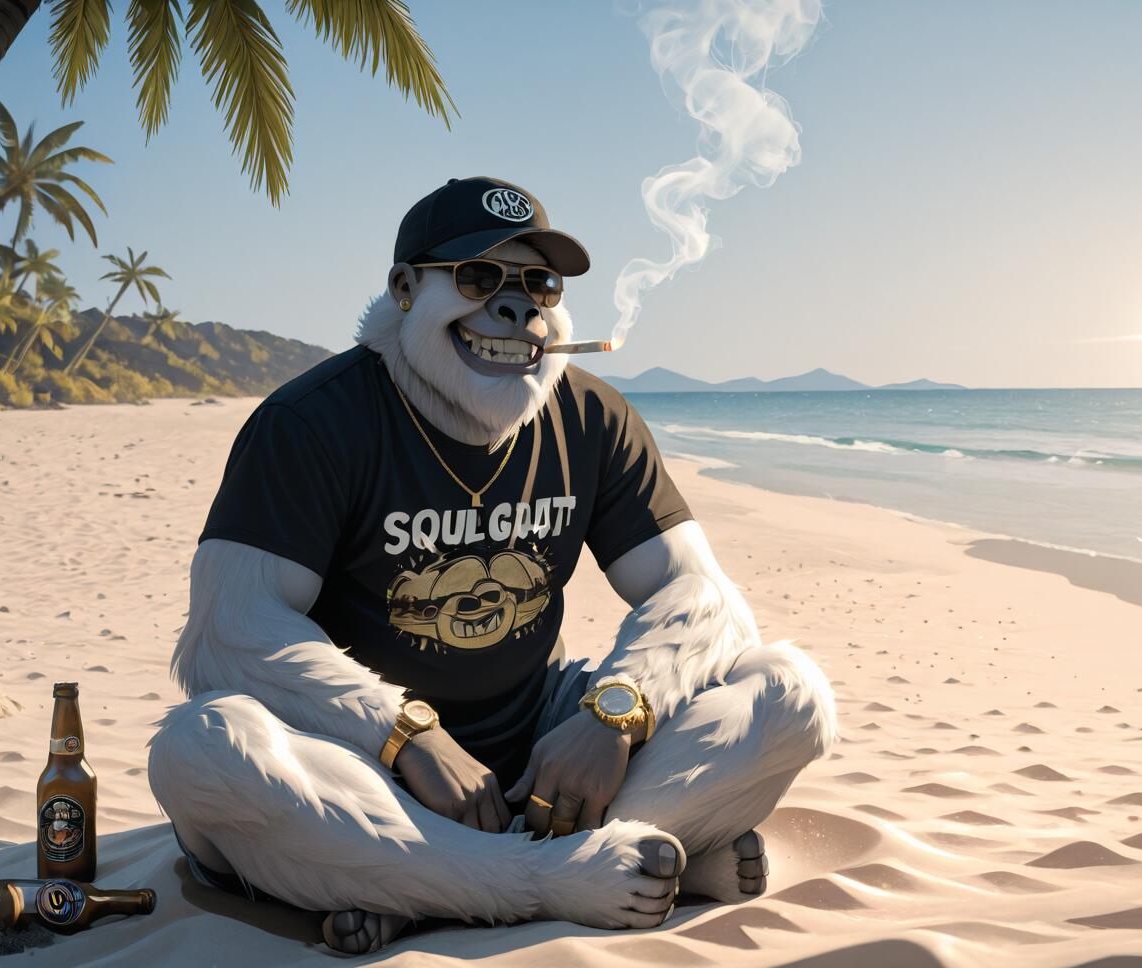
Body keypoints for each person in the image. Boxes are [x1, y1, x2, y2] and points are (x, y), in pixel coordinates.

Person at [148, 176, 837, 954]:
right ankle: (556, 878)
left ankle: (425, 887)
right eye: (478, 278)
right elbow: (229, 634)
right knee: (198, 747)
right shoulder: (311, 423)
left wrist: (614, 712)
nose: (517, 309)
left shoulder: (593, 416)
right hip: (359, 775)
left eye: (539, 284)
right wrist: (404, 735)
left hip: (543, 760)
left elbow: (701, 593)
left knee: (793, 693)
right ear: (405, 289)